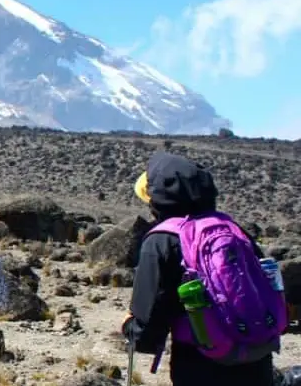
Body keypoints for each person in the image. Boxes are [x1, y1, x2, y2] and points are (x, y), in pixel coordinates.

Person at [122, 152, 284, 386]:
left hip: (201, 365)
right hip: (257, 361)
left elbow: (146, 333)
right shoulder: (233, 230)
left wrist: (129, 326)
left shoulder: (161, 240)